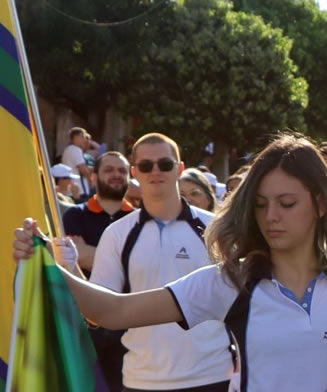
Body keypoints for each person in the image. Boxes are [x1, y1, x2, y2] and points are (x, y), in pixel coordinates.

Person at [13, 133, 327, 392]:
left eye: (287, 204)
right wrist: (46, 262)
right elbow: (111, 311)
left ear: (321, 205)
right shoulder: (231, 282)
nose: (271, 216)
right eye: (263, 204)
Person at [66, 133, 233, 391]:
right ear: (135, 172)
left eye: (164, 164)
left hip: (212, 376)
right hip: (142, 379)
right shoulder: (117, 234)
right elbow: (98, 313)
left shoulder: (215, 228)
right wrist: (66, 269)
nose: (155, 171)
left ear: (179, 169)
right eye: (146, 166)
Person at [61, 151, 134, 391]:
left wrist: (88, 252)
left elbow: (136, 267)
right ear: (93, 177)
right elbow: (72, 258)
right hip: (84, 320)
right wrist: (123, 260)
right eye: (109, 170)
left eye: (122, 171)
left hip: (129, 321)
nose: (116, 175)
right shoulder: (75, 215)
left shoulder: (139, 219)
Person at [62, 126, 93, 201]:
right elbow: (82, 169)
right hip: (78, 192)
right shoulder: (76, 149)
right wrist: (91, 179)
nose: (85, 140)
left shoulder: (68, 149)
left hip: (71, 191)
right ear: (75, 137)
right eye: (82, 136)